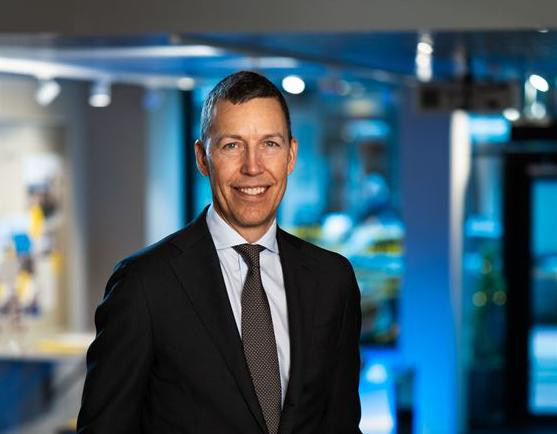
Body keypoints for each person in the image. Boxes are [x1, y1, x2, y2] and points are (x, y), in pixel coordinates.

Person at [77, 71, 362, 434]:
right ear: (202, 157)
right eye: (231, 145)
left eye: (269, 144)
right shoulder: (144, 285)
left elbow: (341, 424)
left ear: (291, 155)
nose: (253, 167)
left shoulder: (332, 279)